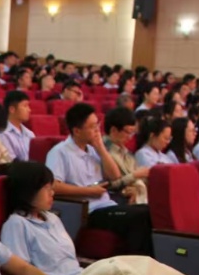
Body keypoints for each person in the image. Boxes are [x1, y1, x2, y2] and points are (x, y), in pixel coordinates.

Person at [47, 103, 152, 256]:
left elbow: (115, 176)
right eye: (92, 127)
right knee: (139, 218)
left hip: (107, 204)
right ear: (77, 131)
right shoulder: (60, 152)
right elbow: (53, 186)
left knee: (149, 211)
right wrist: (88, 191)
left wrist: (101, 148)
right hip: (88, 210)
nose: (97, 131)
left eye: (97, 125)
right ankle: (135, 263)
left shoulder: (93, 149)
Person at [0, 161, 82, 275]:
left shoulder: (52, 218)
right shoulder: (17, 224)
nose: (52, 193)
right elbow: (19, 271)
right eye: (46, 188)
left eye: (52, 188)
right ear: (28, 191)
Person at [101, 107, 149, 203]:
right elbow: (108, 185)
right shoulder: (103, 151)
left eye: (132, 133)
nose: (130, 138)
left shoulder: (126, 152)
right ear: (114, 130)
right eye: (128, 132)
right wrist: (135, 175)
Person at [0, 91, 35, 162]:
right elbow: (10, 162)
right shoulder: (3, 133)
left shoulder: (30, 134)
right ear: (12, 109)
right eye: (25, 106)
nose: (29, 110)